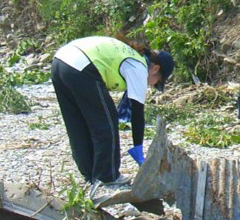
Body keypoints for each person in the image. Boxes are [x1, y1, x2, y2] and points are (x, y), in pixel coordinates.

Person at [50, 36, 174, 185]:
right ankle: (108, 176)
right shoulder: (140, 67)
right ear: (155, 69)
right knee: (106, 123)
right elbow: (137, 115)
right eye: (157, 82)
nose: (152, 85)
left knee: (77, 123)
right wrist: (138, 151)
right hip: (82, 66)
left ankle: (90, 174)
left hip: (60, 61)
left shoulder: (131, 56)